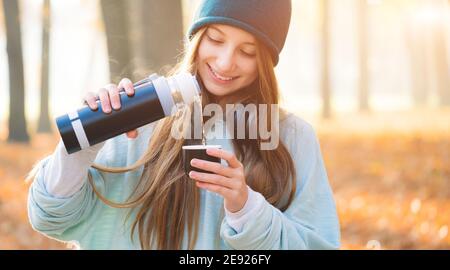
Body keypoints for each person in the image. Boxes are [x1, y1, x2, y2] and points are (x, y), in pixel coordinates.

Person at [27, 0, 340, 250]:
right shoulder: (141, 115)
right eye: (215, 39)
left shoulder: (292, 137)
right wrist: (86, 143)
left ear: (267, 63)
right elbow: (50, 218)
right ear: (197, 39)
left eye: (247, 51)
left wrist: (247, 209)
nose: (225, 62)